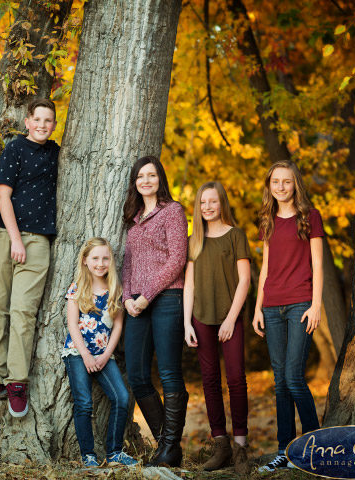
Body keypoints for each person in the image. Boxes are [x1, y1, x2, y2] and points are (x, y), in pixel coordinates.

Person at [0, 99, 59, 417]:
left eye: (48, 120)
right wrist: (14, 239)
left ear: (53, 124)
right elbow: (2, 194)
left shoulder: (56, 153)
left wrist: (24, 241)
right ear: (27, 121)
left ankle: (16, 381)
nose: (42, 125)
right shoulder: (14, 149)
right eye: (37, 119)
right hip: (3, 236)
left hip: (37, 240)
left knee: (23, 311)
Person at [253, 160, 323, 473]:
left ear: (295, 184)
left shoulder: (310, 217)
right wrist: (257, 307)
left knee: (294, 377)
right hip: (271, 306)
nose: (281, 187)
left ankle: (313, 447)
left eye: (287, 181)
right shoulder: (267, 219)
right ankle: (285, 450)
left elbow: (318, 265)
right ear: (269, 186)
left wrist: (316, 304)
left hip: (300, 303)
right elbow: (266, 267)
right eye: (276, 182)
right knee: (280, 381)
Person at [121, 156, 188, 467]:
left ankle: (169, 447)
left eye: (151, 175)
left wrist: (146, 296)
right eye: (140, 176)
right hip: (136, 303)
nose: (146, 180)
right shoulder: (133, 219)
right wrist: (126, 297)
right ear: (135, 182)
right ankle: (168, 445)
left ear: (160, 178)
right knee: (136, 374)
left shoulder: (172, 212)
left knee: (169, 372)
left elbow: (177, 259)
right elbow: (128, 263)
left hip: (167, 299)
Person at [183, 182, 251, 474]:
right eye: (202, 203)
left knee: (236, 379)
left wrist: (230, 319)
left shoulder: (236, 235)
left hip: (229, 317)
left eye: (213, 202)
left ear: (222, 203)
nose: (207, 207)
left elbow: (245, 280)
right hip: (201, 316)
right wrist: (186, 322)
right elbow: (189, 284)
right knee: (209, 380)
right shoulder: (194, 240)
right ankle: (220, 444)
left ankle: (240, 448)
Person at [62, 238, 138, 468]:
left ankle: (114, 452)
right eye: (95, 258)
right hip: (78, 353)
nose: (100, 263)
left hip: (104, 354)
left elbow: (117, 327)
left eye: (105, 258)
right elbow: (72, 324)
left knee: (121, 397)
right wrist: (85, 355)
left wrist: (105, 356)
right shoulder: (78, 287)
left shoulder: (115, 289)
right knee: (84, 402)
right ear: (85, 261)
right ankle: (88, 455)